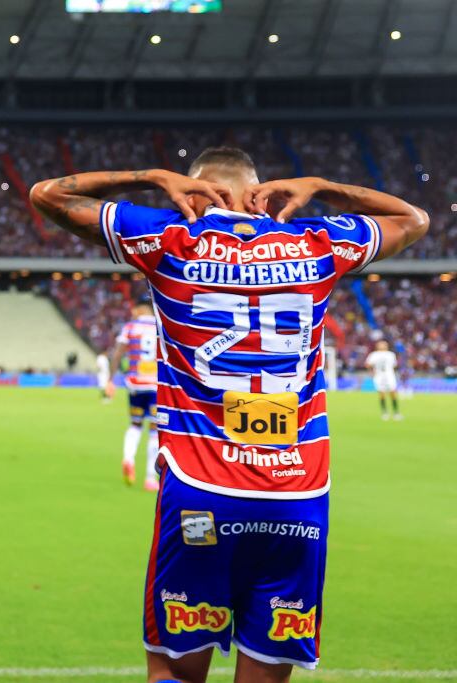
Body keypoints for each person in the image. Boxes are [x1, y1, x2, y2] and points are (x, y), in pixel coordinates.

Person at [30, 147, 428, 683]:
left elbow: (48, 195)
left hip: (202, 489)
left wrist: (152, 177)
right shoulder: (319, 242)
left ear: (194, 191)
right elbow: (414, 219)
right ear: (258, 189)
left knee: (174, 670)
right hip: (298, 498)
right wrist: (320, 184)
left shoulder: (171, 238)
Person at [112, 296, 160, 490]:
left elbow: (117, 354)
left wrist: (109, 380)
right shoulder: (159, 326)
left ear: (141, 309)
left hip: (135, 384)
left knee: (134, 425)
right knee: (155, 432)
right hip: (156, 386)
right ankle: (150, 478)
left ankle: (128, 459)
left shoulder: (130, 327)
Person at [365, 339, 401, 420]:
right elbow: (367, 364)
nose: (382, 346)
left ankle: (396, 413)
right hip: (379, 376)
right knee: (381, 394)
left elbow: (394, 365)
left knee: (393, 393)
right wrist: (372, 372)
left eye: (384, 344)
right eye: (380, 344)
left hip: (389, 375)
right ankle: (385, 413)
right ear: (377, 346)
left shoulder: (391, 354)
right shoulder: (374, 354)